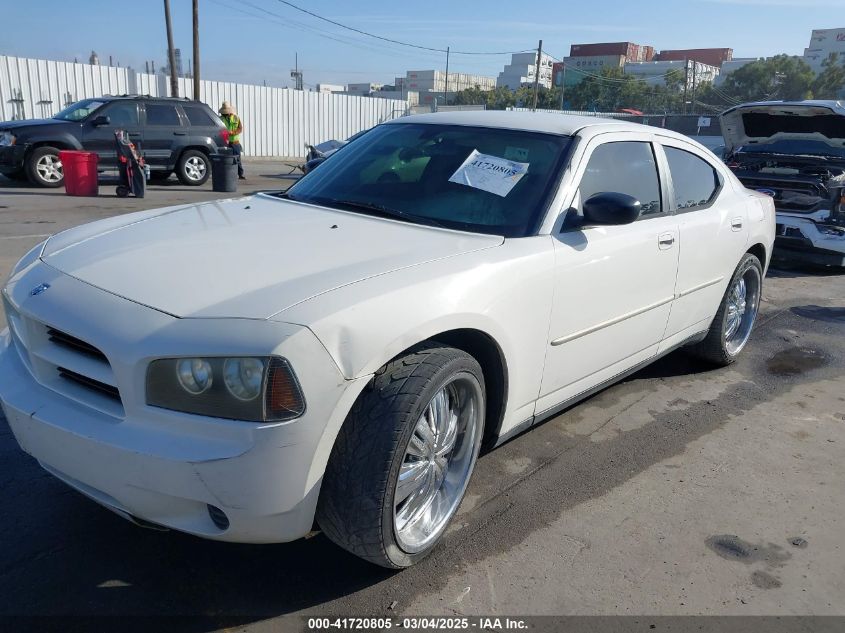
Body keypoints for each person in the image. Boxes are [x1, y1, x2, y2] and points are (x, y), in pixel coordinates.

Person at [219, 101, 245, 180]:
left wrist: (233, 133)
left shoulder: (236, 118)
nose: (224, 114)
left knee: (237, 159)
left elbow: (240, 128)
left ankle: (240, 174)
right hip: (225, 143)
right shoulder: (220, 119)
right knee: (226, 160)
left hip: (235, 142)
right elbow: (219, 130)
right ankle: (227, 174)